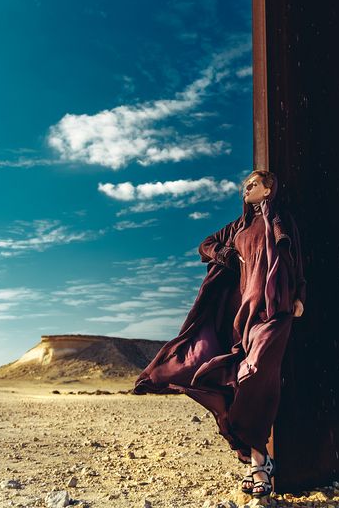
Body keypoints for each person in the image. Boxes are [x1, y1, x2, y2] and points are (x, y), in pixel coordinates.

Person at [132, 169, 306, 497]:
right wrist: (224, 254)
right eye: (244, 186)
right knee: (230, 380)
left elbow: (298, 262)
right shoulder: (238, 228)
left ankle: (255, 457)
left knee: (255, 374)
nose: (246, 190)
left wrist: (300, 296)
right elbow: (205, 244)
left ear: (268, 190)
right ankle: (259, 460)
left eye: (252, 185)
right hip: (242, 319)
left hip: (276, 313)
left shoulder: (284, 221)